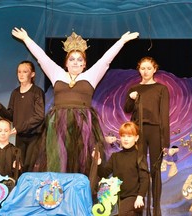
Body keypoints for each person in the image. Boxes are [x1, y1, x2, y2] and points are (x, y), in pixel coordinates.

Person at [11, 27, 139, 190]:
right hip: (58, 124)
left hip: (83, 124)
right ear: (66, 62)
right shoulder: (56, 73)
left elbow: (106, 60)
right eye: (72, 59)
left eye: (80, 60)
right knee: (57, 159)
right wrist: (26, 39)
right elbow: (41, 58)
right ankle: (56, 195)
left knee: (82, 160)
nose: (76, 62)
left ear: (84, 64)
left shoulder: (91, 76)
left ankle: (79, 195)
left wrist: (122, 41)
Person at [124, 56, 170, 216]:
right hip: (138, 131)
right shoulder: (134, 88)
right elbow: (127, 109)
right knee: (140, 169)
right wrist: (131, 98)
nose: (145, 71)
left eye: (148, 68)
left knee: (155, 170)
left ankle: (156, 210)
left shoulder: (161, 89)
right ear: (139, 69)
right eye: (142, 68)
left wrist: (166, 142)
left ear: (155, 69)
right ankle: (139, 208)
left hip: (156, 131)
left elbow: (164, 116)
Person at [0, 60, 45, 172]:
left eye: (25, 71)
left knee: (30, 166)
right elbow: (11, 116)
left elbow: (39, 116)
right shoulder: (15, 93)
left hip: (34, 136)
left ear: (32, 74)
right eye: (19, 72)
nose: (21, 74)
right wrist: (0, 108)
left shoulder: (37, 92)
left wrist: (20, 127)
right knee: (20, 166)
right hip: (20, 136)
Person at [94, 121, 149, 216]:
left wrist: (140, 197)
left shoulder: (139, 156)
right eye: (123, 136)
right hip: (119, 199)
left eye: (129, 136)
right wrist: (98, 162)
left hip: (135, 198)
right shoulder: (115, 156)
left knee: (124, 212)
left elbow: (145, 179)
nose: (126, 139)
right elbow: (103, 173)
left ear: (136, 138)